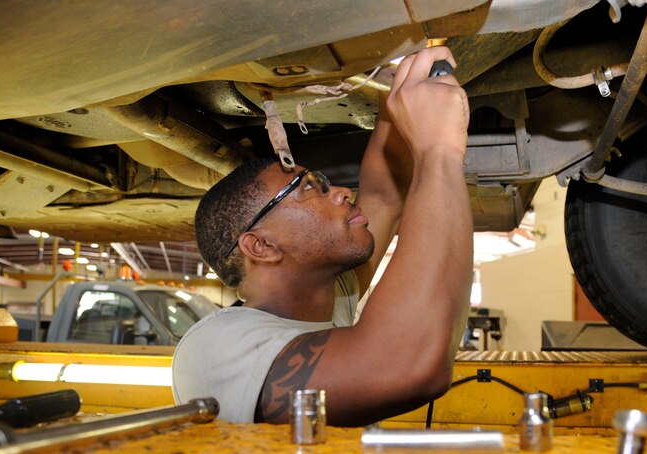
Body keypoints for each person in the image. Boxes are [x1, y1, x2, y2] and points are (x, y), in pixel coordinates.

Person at [172, 47, 472, 427]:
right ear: (261, 246)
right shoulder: (217, 346)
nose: (343, 192)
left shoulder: (333, 301)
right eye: (309, 188)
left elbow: (384, 195)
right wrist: (439, 150)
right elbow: (405, 365)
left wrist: (400, 91)